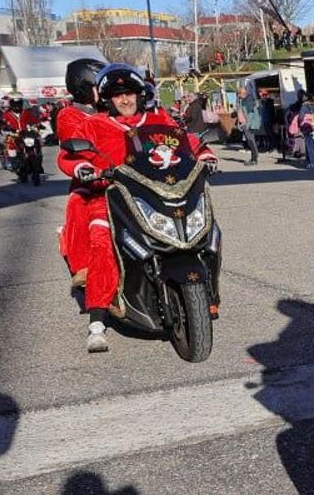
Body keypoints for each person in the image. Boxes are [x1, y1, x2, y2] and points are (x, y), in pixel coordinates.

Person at [57, 63, 217, 353]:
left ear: (140, 95)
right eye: (118, 96)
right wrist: (82, 166)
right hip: (110, 195)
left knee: (207, 226)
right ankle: (97, 319)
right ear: (107, 99)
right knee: (103, 239)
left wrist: (205, 154)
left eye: (130, 93)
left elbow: (188, 141)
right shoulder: (96, 124)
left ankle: (210, 296)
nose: (126, 100)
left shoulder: (158, 120)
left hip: (159, 193)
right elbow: (71, 155)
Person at [55, 57, 107, 285]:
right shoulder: (69, 115)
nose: (105, 91)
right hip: (91, 180)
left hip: (126, 175)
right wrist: (89, 168)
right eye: (99, 86)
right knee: (77, 203)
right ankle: (83, 266)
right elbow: (73, 143)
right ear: (83, 87)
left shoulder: (110, 110)